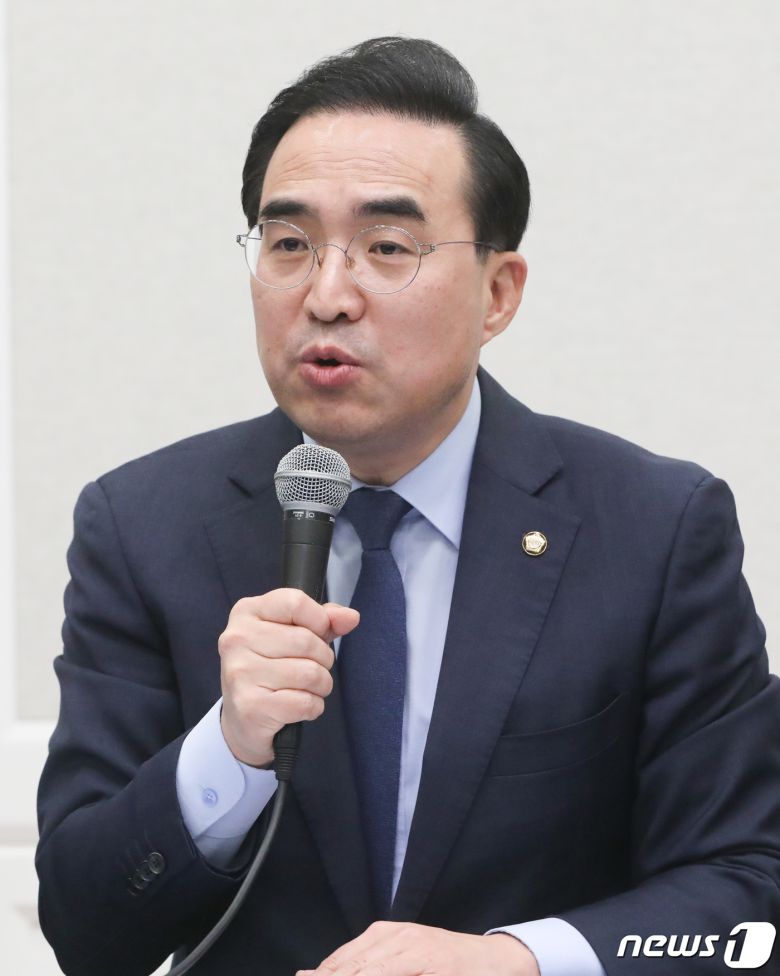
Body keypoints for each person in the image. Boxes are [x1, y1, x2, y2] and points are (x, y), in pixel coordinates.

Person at [36, 36, 780, 976]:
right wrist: (228, 751)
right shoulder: (143, 525)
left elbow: (746, 895)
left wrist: (519, 961)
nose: (327, 295)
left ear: (498, 293)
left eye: (387, 248)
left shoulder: (656, 529)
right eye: (289, 245)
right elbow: (84, 932)